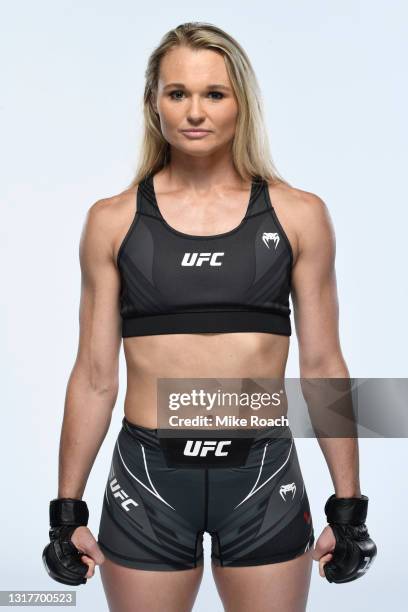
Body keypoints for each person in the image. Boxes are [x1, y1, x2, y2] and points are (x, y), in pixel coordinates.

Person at [42, 22, 376, 612]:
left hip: (263, 476)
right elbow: (95, 376)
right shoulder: (112, 221)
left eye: (214, 94)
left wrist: (348, 510)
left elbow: (324, 365)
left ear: (240, 102)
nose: (195, 111)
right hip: (146, 481)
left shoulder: (298, 215)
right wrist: (66, 511)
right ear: (155, 103)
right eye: (178, 93)